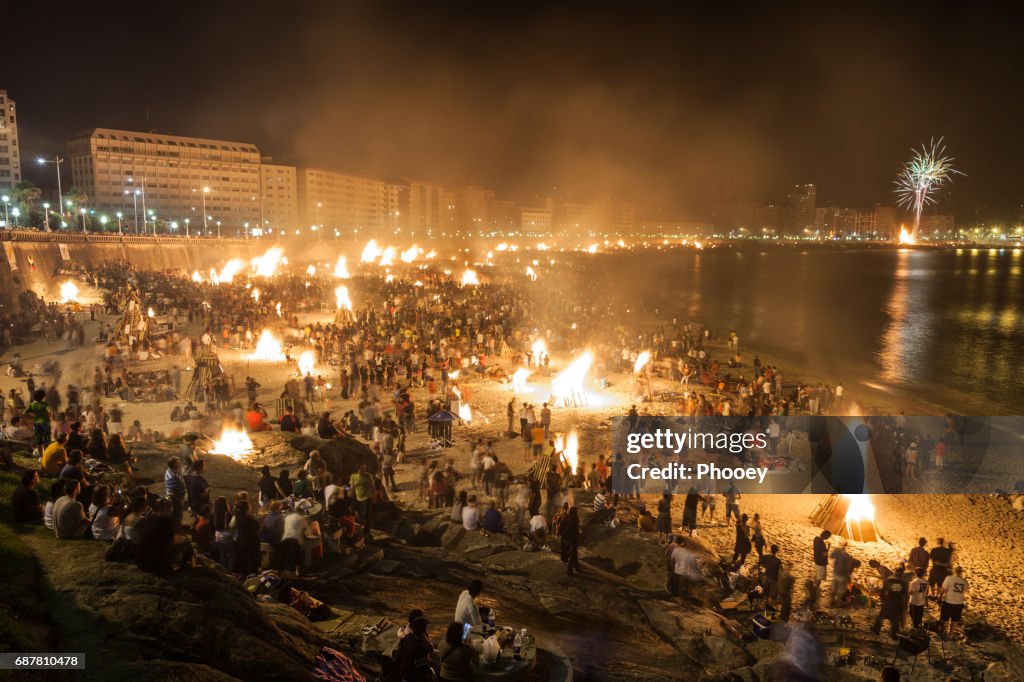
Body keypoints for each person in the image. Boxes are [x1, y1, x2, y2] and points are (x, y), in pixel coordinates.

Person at [872, 565, 909, 639]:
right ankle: (894, 634)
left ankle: (876, 629)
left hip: (888, 601)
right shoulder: (904, 582)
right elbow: (906, 595)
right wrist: (905, 605)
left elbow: (882, 592)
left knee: (882, 616)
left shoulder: (888, 580)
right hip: (898, 602)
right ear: (902, 573)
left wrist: (883, 600)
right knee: (895, 620)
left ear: (895, 571)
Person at [396, 616, 437, 682]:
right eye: (424, 628)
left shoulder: (409, 637)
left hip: (406, 670)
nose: (426, 629)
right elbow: (430, 650)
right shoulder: (417, 645)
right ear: (420, 630)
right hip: (412, 674)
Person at [940, 566, 968, 639]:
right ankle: (951, 634)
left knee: (943, 618)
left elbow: (944, 589)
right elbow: (965, 590)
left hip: (949, 601)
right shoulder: (964, 581)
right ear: (961, 572)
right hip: (959, 603)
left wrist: (940, 597)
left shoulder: (949, 578)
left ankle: (941, 632)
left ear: (954, 571)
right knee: (955, 619)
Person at [350, 464, 374, 536]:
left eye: (365, 468)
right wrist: (346, 490)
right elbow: (352, 487)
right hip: (358, 497)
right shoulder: (354, 476)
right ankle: (358, 528)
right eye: (363, 469)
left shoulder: (368, 476)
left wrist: (374, 495)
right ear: (358, 469)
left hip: (367, 497)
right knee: (357, 512)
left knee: (366, 514)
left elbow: (372, 486)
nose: (364, 470)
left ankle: (367, 530)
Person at [164, 457, 187, 528]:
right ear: (173, 465)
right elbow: (179, 486)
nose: (179, 464)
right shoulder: (173, 476)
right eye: (177, 463)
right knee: (177, 513)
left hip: (173, 495)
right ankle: (177, 528)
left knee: (176, 513)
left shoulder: (170, 471)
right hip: (175, 498)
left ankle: (177, 526)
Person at [560, 506, 581, 576]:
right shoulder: (575, 520)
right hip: (572, 540)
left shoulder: (565, 518)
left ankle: (577, 566)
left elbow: (561, 526)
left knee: (574, 554)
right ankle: (569, 571)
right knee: (572, 555)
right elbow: (576, 531)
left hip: (565, 539)